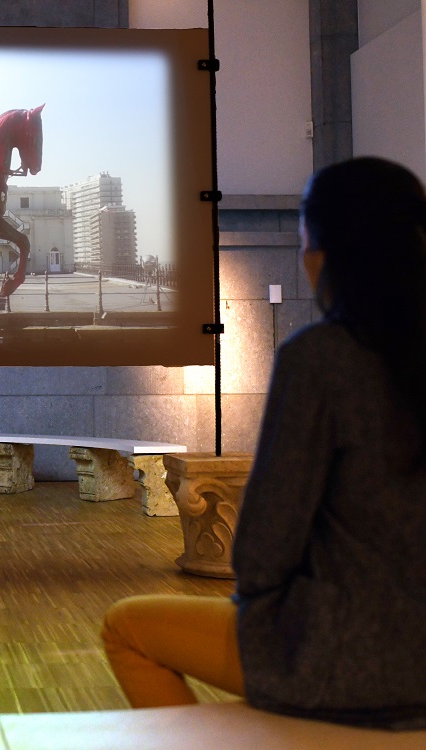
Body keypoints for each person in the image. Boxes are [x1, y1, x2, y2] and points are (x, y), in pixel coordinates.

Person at [100, 157, 426, 729]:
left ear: (323, 255)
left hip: (343, 661)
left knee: (128, 628)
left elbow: (264, 548)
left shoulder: (322, 358)